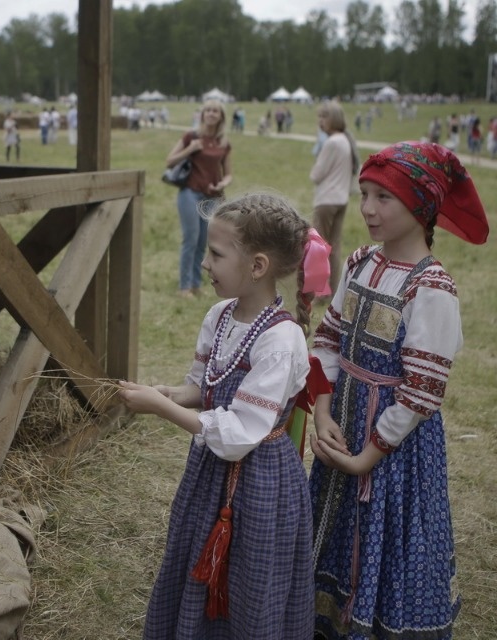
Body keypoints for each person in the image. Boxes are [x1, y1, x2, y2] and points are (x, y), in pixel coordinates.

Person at [120, 193, 332, 639]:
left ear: (257, 266)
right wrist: (171, 394)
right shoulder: (219, 316)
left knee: (250, 579)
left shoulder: (281, 341)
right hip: (211, 474)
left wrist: (161, 408)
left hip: (261, 482)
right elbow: (204, 388)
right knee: (197, 554)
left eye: (216, 254)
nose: (205, 264)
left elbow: (238, 433)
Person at [309, 141, 489, 639]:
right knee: (335, 526)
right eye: (364, 194)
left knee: (386, 535)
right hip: (341, 426)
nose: (367, 208)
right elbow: (328, 338)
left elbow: (420, 393)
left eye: (383, 197)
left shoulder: (431, 288)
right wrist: (322, 411)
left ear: (421, 206)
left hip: (393, 453)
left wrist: (366, 458)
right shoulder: (359, 262)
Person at [164, 99, 232, 298]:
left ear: (221, 117)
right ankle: (184, 287)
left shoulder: (224, 143)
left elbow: (228, 174)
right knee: (190, 239)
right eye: (208, 110)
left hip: (213, 197)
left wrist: (223, 184)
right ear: (202, 114)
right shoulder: (191, 136)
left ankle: (196, 285)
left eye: (215, 111)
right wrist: (190, 149)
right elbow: (169, 161)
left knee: (204, 241)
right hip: (190, 193)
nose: (211, 114)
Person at [310, 101, 359, 300]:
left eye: (324, 117)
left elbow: (316, 175)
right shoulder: (346, 140)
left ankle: (318, 292)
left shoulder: (332, 143)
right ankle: (331, 290)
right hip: (341, 199)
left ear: (334, 119)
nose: (320, 121)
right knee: (334, 247)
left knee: (319, 247)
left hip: (326, 200)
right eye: (319, 117)